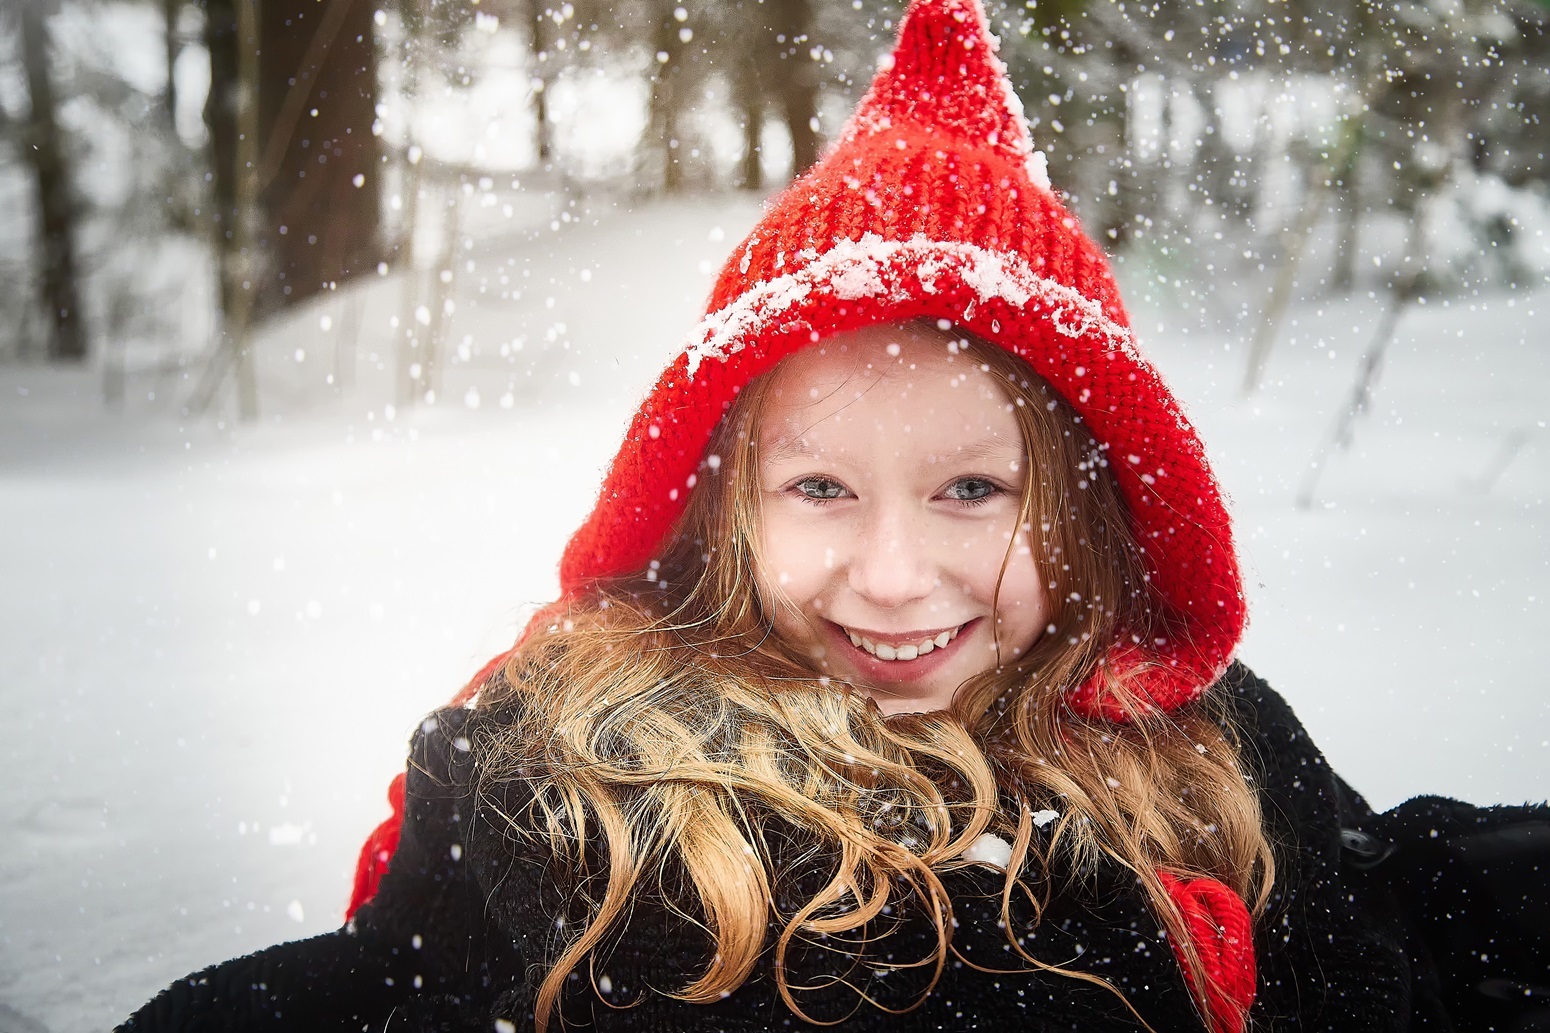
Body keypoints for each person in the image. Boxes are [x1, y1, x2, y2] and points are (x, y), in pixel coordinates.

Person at [120, 1, 1548, 1031]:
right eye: (818, 488)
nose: (891, 574)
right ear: (715, 506)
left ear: (1092, 518)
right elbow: (377, 985)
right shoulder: (564, 781)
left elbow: (1390, 910)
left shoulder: (1195, 742)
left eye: (972, 491)